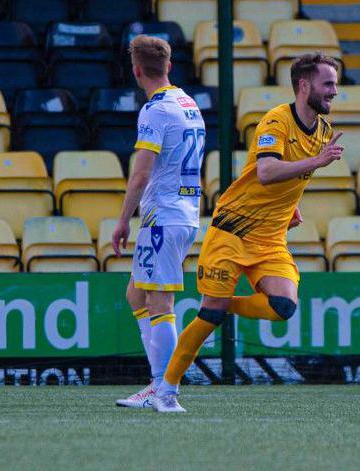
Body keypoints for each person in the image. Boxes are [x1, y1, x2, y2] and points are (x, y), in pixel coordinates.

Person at [156, 53, 343, 413]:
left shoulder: (320, 130)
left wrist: (292, 207)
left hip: (269, 238)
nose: (334, 91)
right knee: (209, 315)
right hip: (233, 229)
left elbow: (289, 181)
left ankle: (225, 306)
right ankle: (165, 390)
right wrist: (317, 162)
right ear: (304, 86)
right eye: (328, 83)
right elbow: (268, 172)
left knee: (283, 307)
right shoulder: (276, 121)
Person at [111, 36, 204, 409]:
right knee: (136, 294)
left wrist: (122, 221)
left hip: (163, 216)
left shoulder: (155, 110)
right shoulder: (189, 103)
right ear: (168, 66)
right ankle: (157, 384)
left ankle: (166, 392)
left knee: (160, 300)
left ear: (136, 70)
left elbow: (141, 174)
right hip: (183, 212)